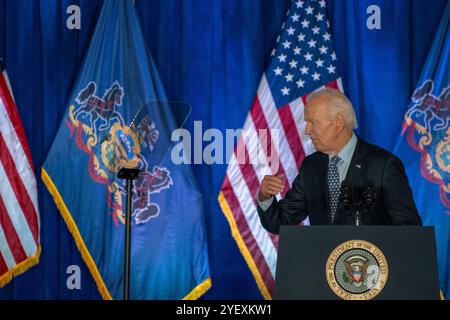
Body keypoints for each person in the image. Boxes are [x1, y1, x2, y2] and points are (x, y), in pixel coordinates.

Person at [257, 88, 422, 234]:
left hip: (370, 266)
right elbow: (282, 222)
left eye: (313, 122)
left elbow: (408, 229)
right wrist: (265, 198)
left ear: (338, 122)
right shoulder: (311, 166)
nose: (307, 131)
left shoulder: (384, 165)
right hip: (323, 266)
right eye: (307, 123)